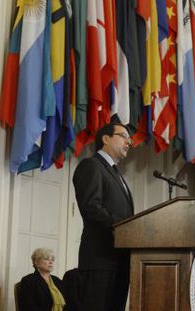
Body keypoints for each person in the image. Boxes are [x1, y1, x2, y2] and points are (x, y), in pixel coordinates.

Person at [72, 123, 134, 311]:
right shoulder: (91, 165)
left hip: (120, 259)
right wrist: (123, 226)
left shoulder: (117, 173)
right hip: (100, 259)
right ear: (105, 139)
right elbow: (91, 206)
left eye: (129, 138)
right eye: (123, 136)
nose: (128, 142)